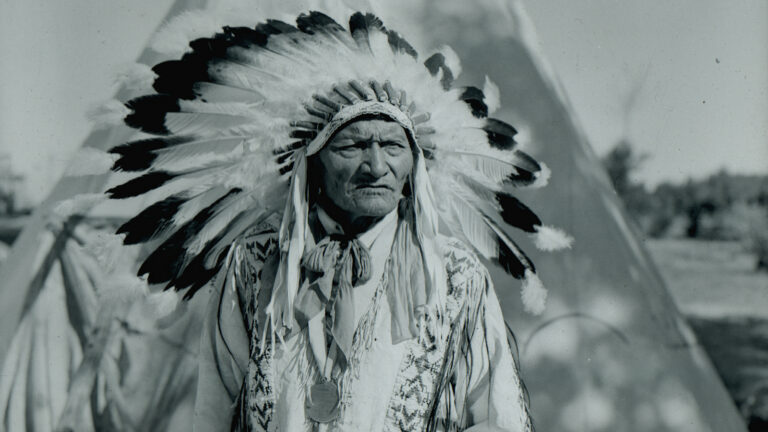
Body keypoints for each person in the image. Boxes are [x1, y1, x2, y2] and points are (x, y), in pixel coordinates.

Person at [105, 10, 571, 431]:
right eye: (352, 146)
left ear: (414, 166)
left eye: (392, 146)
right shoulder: (254, 266)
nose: (375, 166)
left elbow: (497, 416)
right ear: (314, 162)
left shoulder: (453, 277)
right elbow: (215, 405)